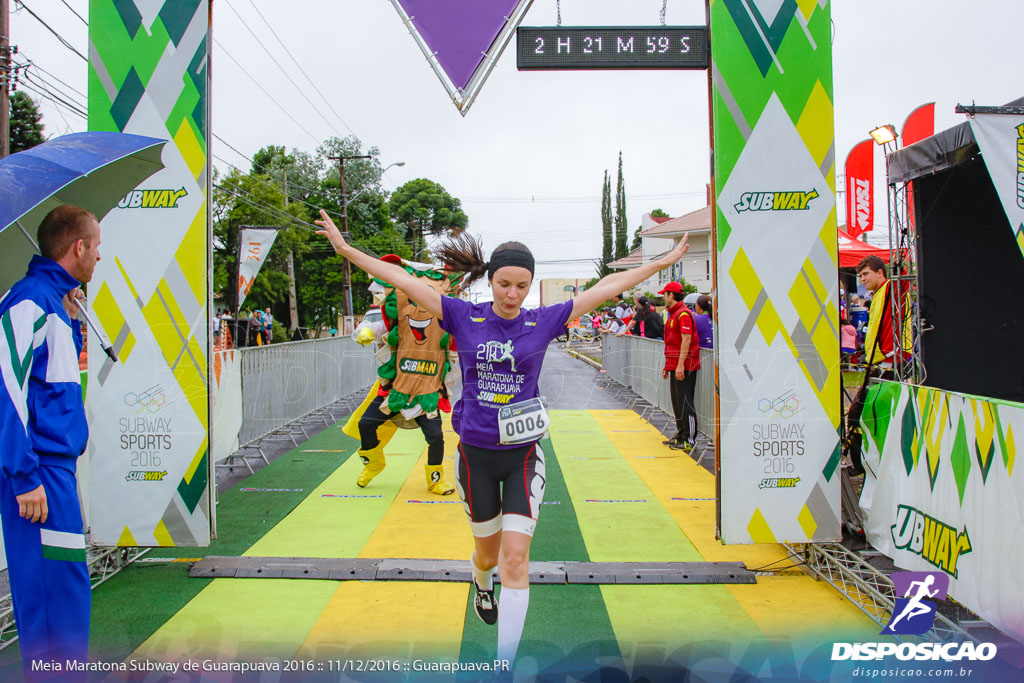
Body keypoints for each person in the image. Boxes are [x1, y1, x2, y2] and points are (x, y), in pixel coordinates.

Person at [315, 209, 689, 671]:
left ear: (530, 286)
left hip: (523, 458)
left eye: (522, 285)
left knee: (516, 558)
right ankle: (481, 582)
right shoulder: (461, 315)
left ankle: (504, 665)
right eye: (504, 284)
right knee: (487, 555)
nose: (513, 294)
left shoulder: (544, 321)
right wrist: (348, 250)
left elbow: (604, 289)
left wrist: (658, 264)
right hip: (475, 457)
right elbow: (404, 281)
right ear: (490, 282)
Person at [0, 205, 100, 673]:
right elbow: (5, 391)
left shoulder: (52, 302)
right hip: (37, 474)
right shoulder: (29, 301)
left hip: (52, 472)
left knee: (66, 591)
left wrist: (72, 317)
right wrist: (24, 476)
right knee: (49, 598)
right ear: (78, 247)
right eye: (96, 246)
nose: (99, 256)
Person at [844, 255, 895, 476]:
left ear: (880, 273)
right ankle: (861, 463)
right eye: (860, 275)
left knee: (858, 414)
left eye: (865, 274)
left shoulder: (891, 290)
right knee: (857, 414)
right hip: (876, 363)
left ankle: (860, 465)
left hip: (886, 365)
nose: (862, 279)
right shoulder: (879, 296)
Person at [659, 281, 701, 452]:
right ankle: (681, 434)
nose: (663, 297)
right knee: (677, 402)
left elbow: (686, 339)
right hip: (675, 364)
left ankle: (689, 439)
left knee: (685, 402)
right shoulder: (673, 315)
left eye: (665, 294)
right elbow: (672, 343)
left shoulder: (683, 314)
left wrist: (681, 364)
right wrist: (668, 365)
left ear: (671, 295)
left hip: (685, 365)